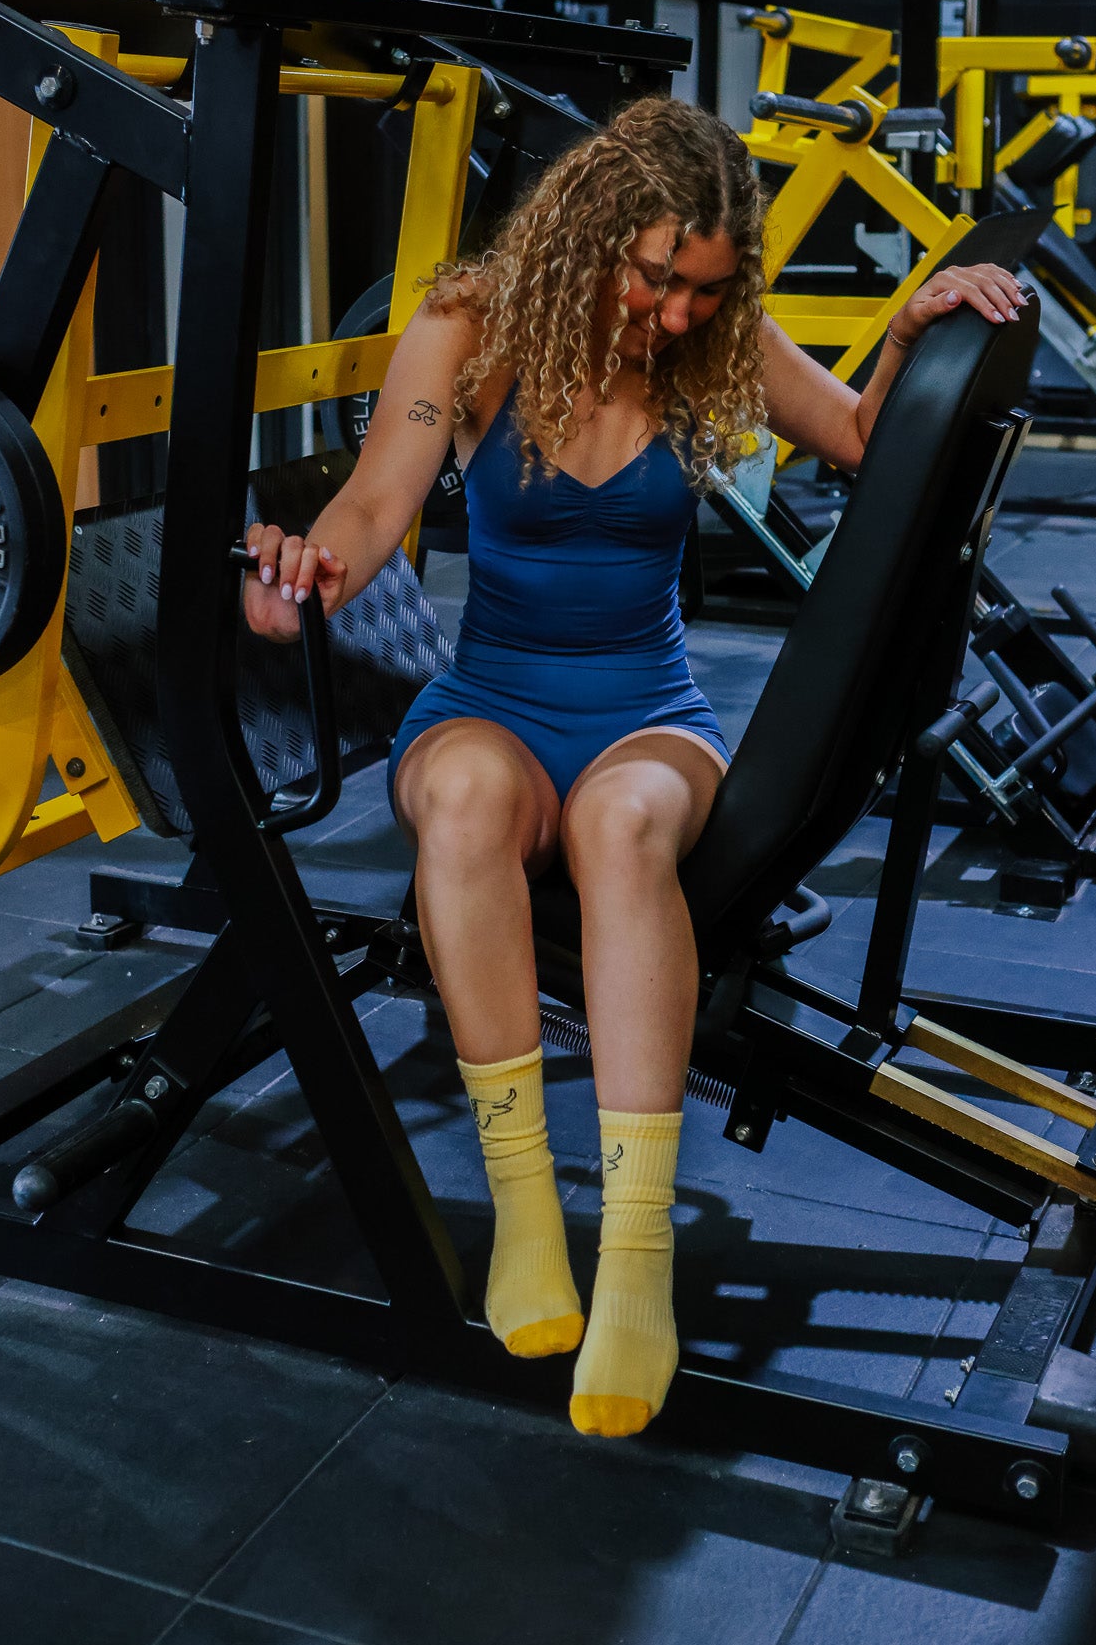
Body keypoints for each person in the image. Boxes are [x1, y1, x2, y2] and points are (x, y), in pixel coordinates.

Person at [244, 96, 1027, 1438]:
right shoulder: (471, 325)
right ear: (593, 229)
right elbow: (373, 505)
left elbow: (857, 439)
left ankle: (635, 1256)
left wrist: (904, 331)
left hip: (647, 712)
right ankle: (526, 1216)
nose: (677, 315)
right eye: (658, 279)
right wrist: (305, 578)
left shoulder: (716, 334)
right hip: (490, 701)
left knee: (621, 830)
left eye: (706, 290)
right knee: (467, 800)